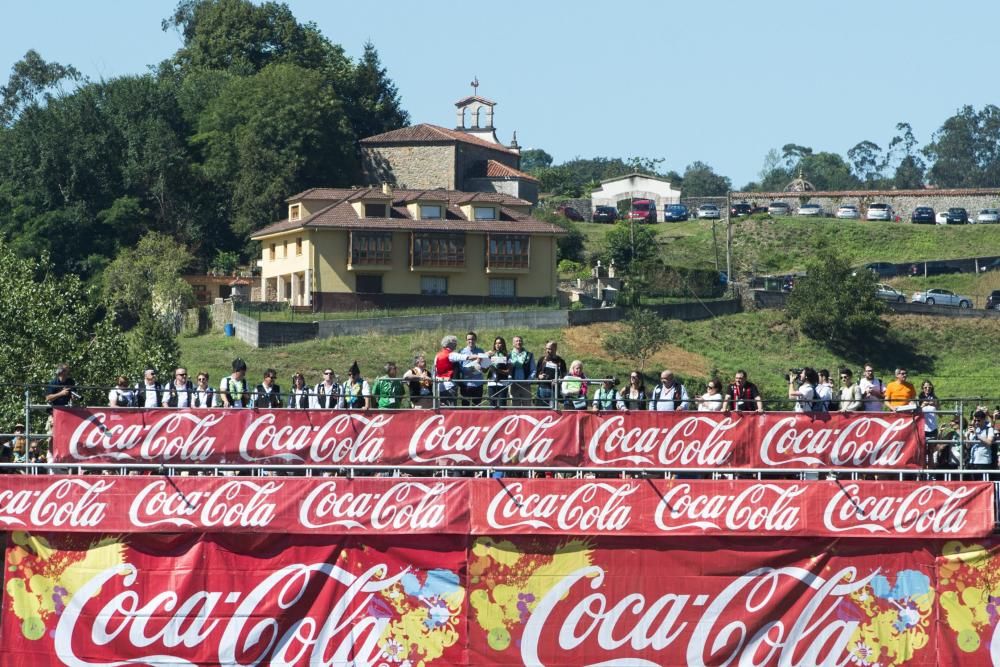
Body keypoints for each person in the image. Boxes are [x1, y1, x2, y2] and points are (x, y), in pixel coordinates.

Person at [434, 335, 481, 407]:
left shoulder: (437, 355)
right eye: (454, 343)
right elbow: (467, 357)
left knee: (442, 407)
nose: (456, 344)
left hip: (439, 385)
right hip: (450, 385)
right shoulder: (451, 354)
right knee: (451, 408)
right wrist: (479, 356)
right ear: (450, 344)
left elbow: (435, 370)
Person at [459, 331, 491, 407]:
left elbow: (484, 369)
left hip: (478, 384)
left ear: (476, 340)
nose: (471, 341)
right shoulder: (461, 352)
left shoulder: (481, 351)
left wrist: (489, 362)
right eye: (469, 339)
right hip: (466, 385)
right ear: (466, 341)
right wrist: (475, 363)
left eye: (473, 339)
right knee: (465, 408)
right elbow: (461, 370)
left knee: (477, 408)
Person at [535, 341, 566, 408]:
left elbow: (564, 376)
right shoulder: (542, 359)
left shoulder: (561, 361)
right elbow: (537, 372)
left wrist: (558, 380)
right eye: (546, 348)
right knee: (541, 409)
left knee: (553, 410)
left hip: (554, 390)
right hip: (542, 388)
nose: (547, 351)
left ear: (555, 348)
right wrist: (539, 376)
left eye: (550, 349)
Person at [508, 335, 535, 407]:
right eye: (516, 341)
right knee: (514, 408)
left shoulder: (529, 355)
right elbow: (507, 370)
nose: (519, 342)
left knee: (527, 407)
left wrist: (528, 381)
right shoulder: (509, 355)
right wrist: (510, 381)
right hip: (513, 385)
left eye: (520, 341)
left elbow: (533, 370)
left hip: (525, 385)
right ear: (513, 344)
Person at [487, 337, 512, 408]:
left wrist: (498, 370)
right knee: (492, 405)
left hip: (502, 384)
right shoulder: (491, 355)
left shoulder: (507, 356)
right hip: (491, 383)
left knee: (502, 405)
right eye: (496, 343)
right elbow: (484, 370)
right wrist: (482, 360)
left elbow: (509, 371)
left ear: (503, 344)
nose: (497, 345)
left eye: (499, 343)